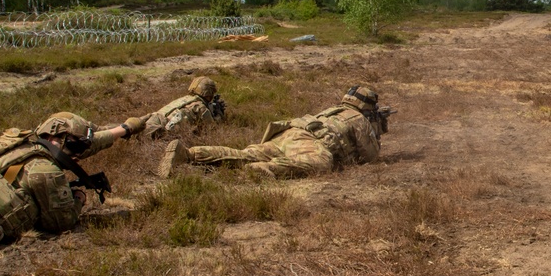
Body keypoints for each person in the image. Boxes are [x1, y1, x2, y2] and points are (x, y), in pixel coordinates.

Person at [0, 112, 146, 250]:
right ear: (53, 138)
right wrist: (79, 198)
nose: (78, 153)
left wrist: (125, 129)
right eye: (75, 145)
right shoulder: (45, 171)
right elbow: (62, 222)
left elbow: (89, 143)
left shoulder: (21, 146)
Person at [158, 85, 389, 179]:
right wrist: (375, 134)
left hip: (288, 132)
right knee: (323, 162)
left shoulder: (334, 109)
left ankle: (188, 154)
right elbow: (370, 156)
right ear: (368, 106)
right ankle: (263, 171)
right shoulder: (359, 119)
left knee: (247, 153)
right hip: (310, 143)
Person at [143, 76, 225, 139]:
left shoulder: (185, 99)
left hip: (154, 118)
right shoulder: (200, 107)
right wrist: (219, 115)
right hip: (161, 129)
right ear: (209, 93)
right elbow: (212, 128)